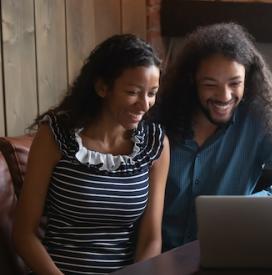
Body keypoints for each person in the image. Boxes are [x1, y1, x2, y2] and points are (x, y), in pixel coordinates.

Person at [152, 23, 272, 251]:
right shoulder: (159, 120)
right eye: (210, 85)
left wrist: (256, 204)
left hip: (223, 254)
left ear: (248, 79)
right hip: (160, 256)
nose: (224, 96)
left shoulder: (258, 120)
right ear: (191, 81)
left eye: (235, 83)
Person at [13, 34, 170, 274]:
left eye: (152, 93)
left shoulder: (155, 144)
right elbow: (24, 234)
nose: (144, 104)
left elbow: (151, 239)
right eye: (133, 92)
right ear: (102, 87)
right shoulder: (56, 134)